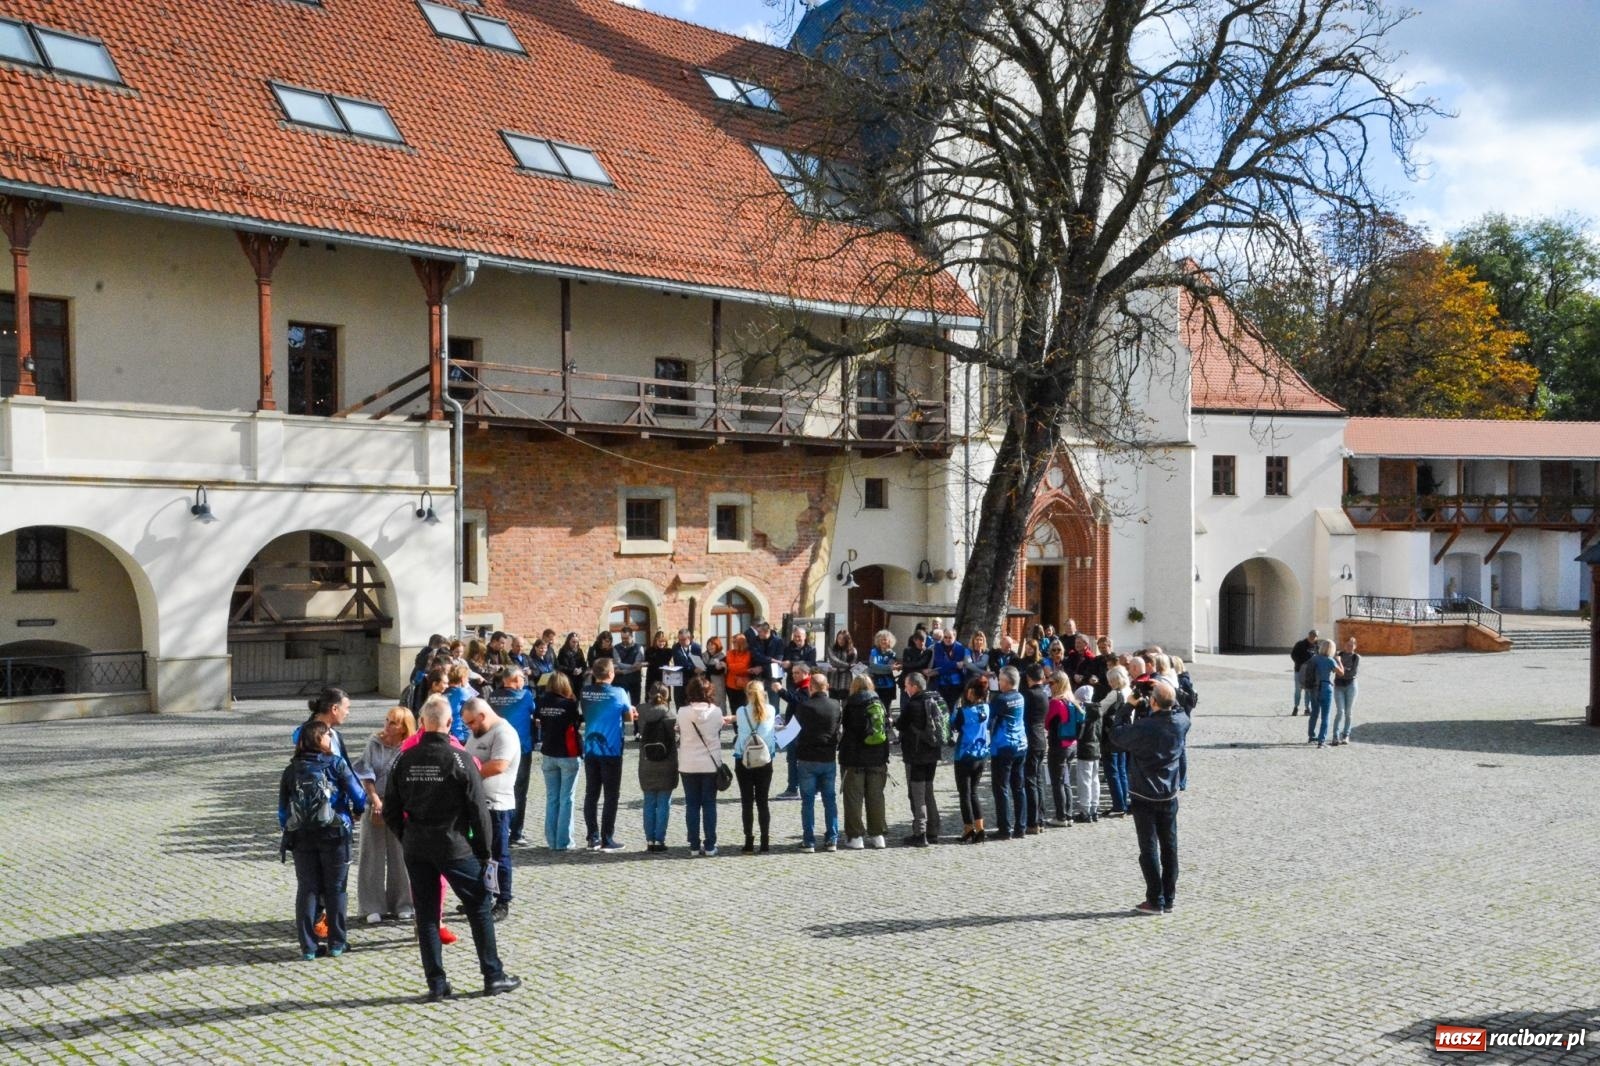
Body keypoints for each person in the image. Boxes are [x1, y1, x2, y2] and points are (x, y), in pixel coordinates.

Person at [384, 697, 520, 1000]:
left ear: (422, 724)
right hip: (453, 845)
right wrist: (484, 853)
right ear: (449, 724)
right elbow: (478, 812)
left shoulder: (403, 759)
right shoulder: (460, 759)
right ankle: (492, 975)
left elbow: (391, 808)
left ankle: (437, 983)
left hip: (417, 846)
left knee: (428, 914)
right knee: (480, 907)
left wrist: (406, 835)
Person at [279, 719, 366, 960]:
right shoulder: (335, 765)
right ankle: (337, 943)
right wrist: (357, 812)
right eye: (328, 736)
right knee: (336, 888)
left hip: (301, 837)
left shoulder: (291, 769)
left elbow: (282, 811)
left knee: (307, 889)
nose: (331, 740)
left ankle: (308, 947)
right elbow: (358, 795)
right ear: (319, 739)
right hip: (335, 834)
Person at [1108, 679, 1191, 914]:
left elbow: (1117, 735)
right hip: (1169, 794)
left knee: (1149, 849)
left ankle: (1155, 900)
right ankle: (1169, 896)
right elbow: (1182, 705)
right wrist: (1166, 689)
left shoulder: (1144, 727)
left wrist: (1129, 706)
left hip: (1144, 794)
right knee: (1170, 846)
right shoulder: (1181, 722)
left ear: (1153, 701)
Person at [355, 706, 416, 925]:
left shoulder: (409, 747)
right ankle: (371, 905)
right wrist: (376, 801)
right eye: (387, 720)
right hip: (376, 802)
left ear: (403, 728)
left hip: (400, 805)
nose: (387, 725)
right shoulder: (374, 743)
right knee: (372, 855)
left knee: (400, 855)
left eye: (393, 723)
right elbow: (365, 773)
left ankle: (403, 903)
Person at [461, 697, 519, 920]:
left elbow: (499, 765)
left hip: (497, 805)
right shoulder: (476, 733)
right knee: (476, 854)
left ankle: (503, 900)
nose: (469, 728)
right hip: (475, 803)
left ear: (482, 716)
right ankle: (481, 896)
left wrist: (467, 776)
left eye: (471, 723)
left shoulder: (504, 733)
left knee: (498, 854)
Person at [580, 658, 635, 851]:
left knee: (591, 793)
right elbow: (629, 718)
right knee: (611, 795)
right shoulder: (619, 693)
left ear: (594, 674)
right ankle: (607, 838)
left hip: (590, 749)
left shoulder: (585, 692)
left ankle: (591, 836)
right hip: (611, 749)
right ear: (611, 674)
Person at [676, 675, 730, 856]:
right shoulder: (715, 711)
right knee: (709, 804)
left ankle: (693, 845)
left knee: (692, 805)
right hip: (709, 764)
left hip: (688, 763)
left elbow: (678, 729)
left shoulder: (682, 712)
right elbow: (718, 729)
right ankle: (709, 845)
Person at [791, 671, 843, 853]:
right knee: (830, 800)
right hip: (828, 757)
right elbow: (838, 730)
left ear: (810, 687)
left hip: (807, 758)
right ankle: (832, 840)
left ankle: (809, 841)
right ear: (826, 687)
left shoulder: (804, 706)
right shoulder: (836, 705)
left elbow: (793, 732)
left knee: (807, 801)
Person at [838, 674, 890, 849]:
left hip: (854, 759)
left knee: (853, 798)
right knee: (876, 797)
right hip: (877, 758)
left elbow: (846, 728)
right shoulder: (879, 703)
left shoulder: (851, 704)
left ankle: (855, 837)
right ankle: (878, 836)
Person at [484, 667, 535, 845]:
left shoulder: (493, 696)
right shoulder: (526, 696)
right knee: (519, 791)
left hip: (495, 748)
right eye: (522, 677)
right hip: (520, 749)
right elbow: (533, 710)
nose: (524, 681)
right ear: (514, 680)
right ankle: (516, 832)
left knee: (496, 788)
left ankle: (498, 829)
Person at [896, 671, 947, 846]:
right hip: (933, 753)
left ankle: (921, 833)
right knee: (928, 792)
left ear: (914, 686)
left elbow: (901, 724)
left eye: (906, 686)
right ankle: (934, 830)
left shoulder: (913, 704)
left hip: (916, 755)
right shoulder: (935, 698)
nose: (905, 689)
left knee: (917, 795)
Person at [535, 673, 582, 852]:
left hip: (548, 751)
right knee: (567, 799)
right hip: (567, 753)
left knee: (552, 798)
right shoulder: (569, 705)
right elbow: (576, 724)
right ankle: (564, 841)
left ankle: (552, 839)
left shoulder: (542, 702)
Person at [733, 681, 778, 853]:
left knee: (747, 802)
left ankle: (749, 840)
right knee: (762, 801)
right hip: (764, 760)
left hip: (744, 759)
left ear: (747, 693)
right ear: (763, 693)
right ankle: (765, 840)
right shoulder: (772, 710)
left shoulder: (740, 711)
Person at [635, 681, 678, 853]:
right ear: (667, 696)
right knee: (663, 803)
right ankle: (659, 839)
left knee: (649, 802)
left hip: (646, 762)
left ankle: (650, 839)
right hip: (666, 762)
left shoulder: (641, 711)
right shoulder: (670, 714)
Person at [988, 666, 1028, 839]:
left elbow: (989, 719)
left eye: (1000, 679)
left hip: (1004, 746)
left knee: (1001, 788)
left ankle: (1005, 828)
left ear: (1006, 681)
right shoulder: (1020, 697)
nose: (998, 682)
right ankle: (1021, 827)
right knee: (1018, 787)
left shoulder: (1001, 699)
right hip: (1020, 744)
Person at [950, 678, 991, 844]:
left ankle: (968, 828)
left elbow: (953, 725)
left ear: (971, 692)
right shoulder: (987, 708)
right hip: (981, 754)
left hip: (965, 754)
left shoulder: (963, 712)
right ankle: (980, 828)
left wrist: (956, 709)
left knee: (964, 794)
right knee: (974, 792)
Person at [1043, 674, 1079, 827]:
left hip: (1058, 745)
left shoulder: (1056, 702)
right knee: (1066, 781)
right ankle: (1068, 814)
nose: (1049, 685)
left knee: (1057, 782)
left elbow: (1046, 723)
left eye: (1051, 683)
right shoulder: (1072, 700)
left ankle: (1061, 816)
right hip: (1071, 744)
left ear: (1058, 684)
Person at [1020, 664, 1050, 835]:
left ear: (1029, 678)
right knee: (1038, 780)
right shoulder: (1044, 694)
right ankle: (1040, 818)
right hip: (1040, 739)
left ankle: (1033, 821)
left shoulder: (1029, 694)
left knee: (1030, 780)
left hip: (1031, 738)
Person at [1099, 666, 1132, 816]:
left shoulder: (1114, 694)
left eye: (1111, 680)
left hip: (1111, 735)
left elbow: (1100, 709)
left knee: (1112, 771)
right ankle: (1123, 802)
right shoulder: (1129, 691)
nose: (1110, 683)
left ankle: (1118, 805)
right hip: (1125, 734)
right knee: (1122, 770)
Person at [292, 686, 355, 764]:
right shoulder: (306, 734)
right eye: (346, 708)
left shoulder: (335, 734)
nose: (347, 713)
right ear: (334, 709)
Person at [1306, 637, 1344, 748]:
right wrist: (1339, 661)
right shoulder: (1330, 660)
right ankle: (1321, 741)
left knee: (1314, 713)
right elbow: (1341, 673)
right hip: (1325, 688)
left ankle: (1311, 736)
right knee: (1325, 716)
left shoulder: (1314, 658)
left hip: (1314, 688)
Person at [1073, 683, 1102, 822]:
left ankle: (1085, 810)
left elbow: (1080, 733)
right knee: (1094, 779)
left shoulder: (1084, 712)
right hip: (1096, 747)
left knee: (1084, 779)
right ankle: (1094, 808)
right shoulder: (1098, 710)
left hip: (1086, 748)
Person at [931, 628, 970, 709]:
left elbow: (958, 667)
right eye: (945, 637)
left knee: (953, 709)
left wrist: (942, 668)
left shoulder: (960, 648)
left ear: (954, 637)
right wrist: (955, 664)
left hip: (956, 685)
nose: (947, 639)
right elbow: (940, 663)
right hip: (941, 684)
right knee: (942, 709)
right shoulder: (938, 646)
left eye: (950, 637)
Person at [1331, 637, 1359, 745]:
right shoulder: (1338, 655)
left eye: (1352, 645)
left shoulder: (1356, 657)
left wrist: (1341, 668)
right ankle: (1335, 736)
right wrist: (1343, 668)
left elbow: (1352, 673)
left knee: (1348, 712)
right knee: (1340, 712)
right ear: (1344, 645)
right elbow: (1335, 670)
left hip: (1351, 685)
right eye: (1348, 644)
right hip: (1338, 686)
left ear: (1355, 646)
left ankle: (1346, 735)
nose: (1350, 647)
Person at [670, 628, 704, 708]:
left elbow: (699, 662)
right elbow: (681, 662)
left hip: (693, 680)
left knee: (693, 703)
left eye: (683, 639)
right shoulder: (676, 647)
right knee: (679, 703)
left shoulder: (696, 647)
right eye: (679, 639)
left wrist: (699, 669)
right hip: (679, 680)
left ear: (689, 638)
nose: (681, 642)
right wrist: (693, 668)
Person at [866, 629, 899, 712]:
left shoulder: (892, 654)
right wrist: (887, 668)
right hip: (875, 685)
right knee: (875, 708)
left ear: (889, 641)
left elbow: (887, 670)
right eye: (880, 639)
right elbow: (873, 666)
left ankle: (887, 725)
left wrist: (878, 668)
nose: (882, 641)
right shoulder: (874, 652)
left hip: (888, 686)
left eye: (885, 639)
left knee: (886, 710)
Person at [613, 626, 645, 708]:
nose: (624, 640)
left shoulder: (639, 648)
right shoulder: (616, 648)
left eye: (626, 638)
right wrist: (632, 667)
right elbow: (619, 663)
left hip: (635, 680)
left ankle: (636, 721)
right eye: (622, 638)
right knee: (620, 704)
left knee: (636, 704)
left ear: (631, 636)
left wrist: (623, 671)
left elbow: (637, 665)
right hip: (620, 681)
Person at [444, 664, 475, 744]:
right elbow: (476, 706)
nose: (468, 680)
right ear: (462, 678)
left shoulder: (444, 693)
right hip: (461, 735)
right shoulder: (463, 692)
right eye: (467, 678)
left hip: (447, 733)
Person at [1290, 629, 1318, 716]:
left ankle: (1307, 708)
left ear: (1316, 638)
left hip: (1310, 673)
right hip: (1299, 671)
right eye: (1311, 636)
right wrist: (1301, 663)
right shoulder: (1300, 644)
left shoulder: (1317, 646)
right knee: (1298, 689)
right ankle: (1296, 707)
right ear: (1308, 635)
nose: (1312, 638)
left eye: (1314, 636)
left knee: (1308, 690)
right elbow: (1293, 655)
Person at [724, 634, 752, 713]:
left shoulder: (748, 653)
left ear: (741, 643)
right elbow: (732, 665)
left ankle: (743, 724)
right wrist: (741, 667)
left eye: (735, 642)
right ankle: (735, 725)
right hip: (730, 685)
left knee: (743, 708)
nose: (733, 643)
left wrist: (731, 666)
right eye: (733, 641)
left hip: (743, 685)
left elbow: (743, 666)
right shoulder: (730, 653)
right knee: (733, 708)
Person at [826, 629, 858, 694]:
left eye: (843, 639)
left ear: (847, 640)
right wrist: (848, 665)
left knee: (845, 703)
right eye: (839, 638)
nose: (841, 640)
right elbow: (834, 661)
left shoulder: (853, 650)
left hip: (846, 681)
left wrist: (837, 669)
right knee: (833, 703)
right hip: (832, 680)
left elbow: (852, 666)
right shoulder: (831, 648)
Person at [703, 635, 729, 710]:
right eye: (708, 645)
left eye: (712, 645)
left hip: (717, 686)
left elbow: (717, 671)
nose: (710, 647)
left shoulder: (722, 657)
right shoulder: (704, 656)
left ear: (717, 645)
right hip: (706, 685)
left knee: (719, 706)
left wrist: (707, 668)